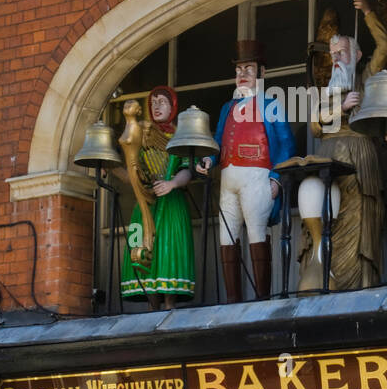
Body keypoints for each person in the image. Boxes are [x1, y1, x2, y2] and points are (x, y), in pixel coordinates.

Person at [199, 39, 295, 302]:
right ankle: (233, 300)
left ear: (261, 74)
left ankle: (261, 298)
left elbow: (287, 143)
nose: (242, 75)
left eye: (249, 69)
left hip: (257, 176)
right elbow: (218, 141)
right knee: (227, 235)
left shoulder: (271, 105)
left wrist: (277, 178)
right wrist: (209, 158)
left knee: (256, 233)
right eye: (239, 70)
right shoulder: (227, 108)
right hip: (229, 177)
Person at [309, 0, 387, 290]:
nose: (335, 59)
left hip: (359, 159)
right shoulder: (326, 89)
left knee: (361, 224)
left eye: (342, 53)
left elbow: (384, 47)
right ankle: (325, 281)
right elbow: (316, 125)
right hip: (328, 159)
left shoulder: (366, 77)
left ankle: (362, 284)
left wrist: (368, 13)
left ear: (355, 56)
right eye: (332, 54)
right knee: (329, 218)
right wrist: (339, 108)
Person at [119, 85, 195, 305]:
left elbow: (188, 169)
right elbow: (134, 175)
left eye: (162, 102)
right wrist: (112, 168)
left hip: (171, 204)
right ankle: (152, 304)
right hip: (145, 203)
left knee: (169, 249)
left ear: (173, 106)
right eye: (153, 103)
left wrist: (172, 184)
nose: (157, 106)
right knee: (139, 246)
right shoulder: (140, 136)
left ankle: (169, 304)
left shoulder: (182, 134)